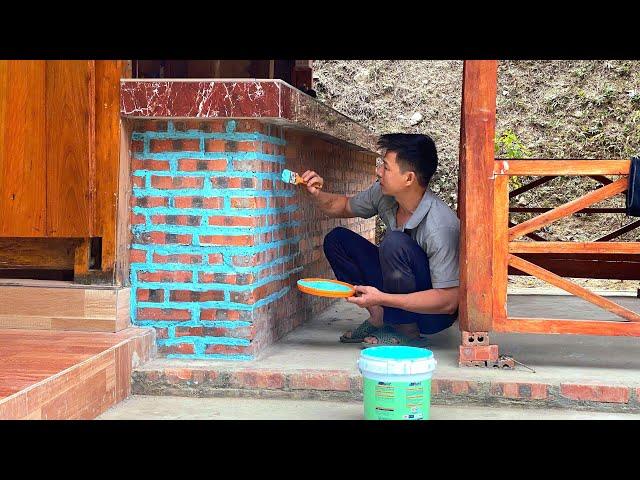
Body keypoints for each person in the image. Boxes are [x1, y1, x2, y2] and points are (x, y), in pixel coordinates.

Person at [301, 133, 459, 346]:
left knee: (395, 243)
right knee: (337, 240)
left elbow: (449, 302)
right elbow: (344, 206)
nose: (378, 172)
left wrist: (383, 298)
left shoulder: (440, 225)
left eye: (385, 167)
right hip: (400, 292)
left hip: (433, 315)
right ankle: (379, 318)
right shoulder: (384, 194)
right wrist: (316, 193)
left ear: (409, 178)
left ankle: (407, 331)